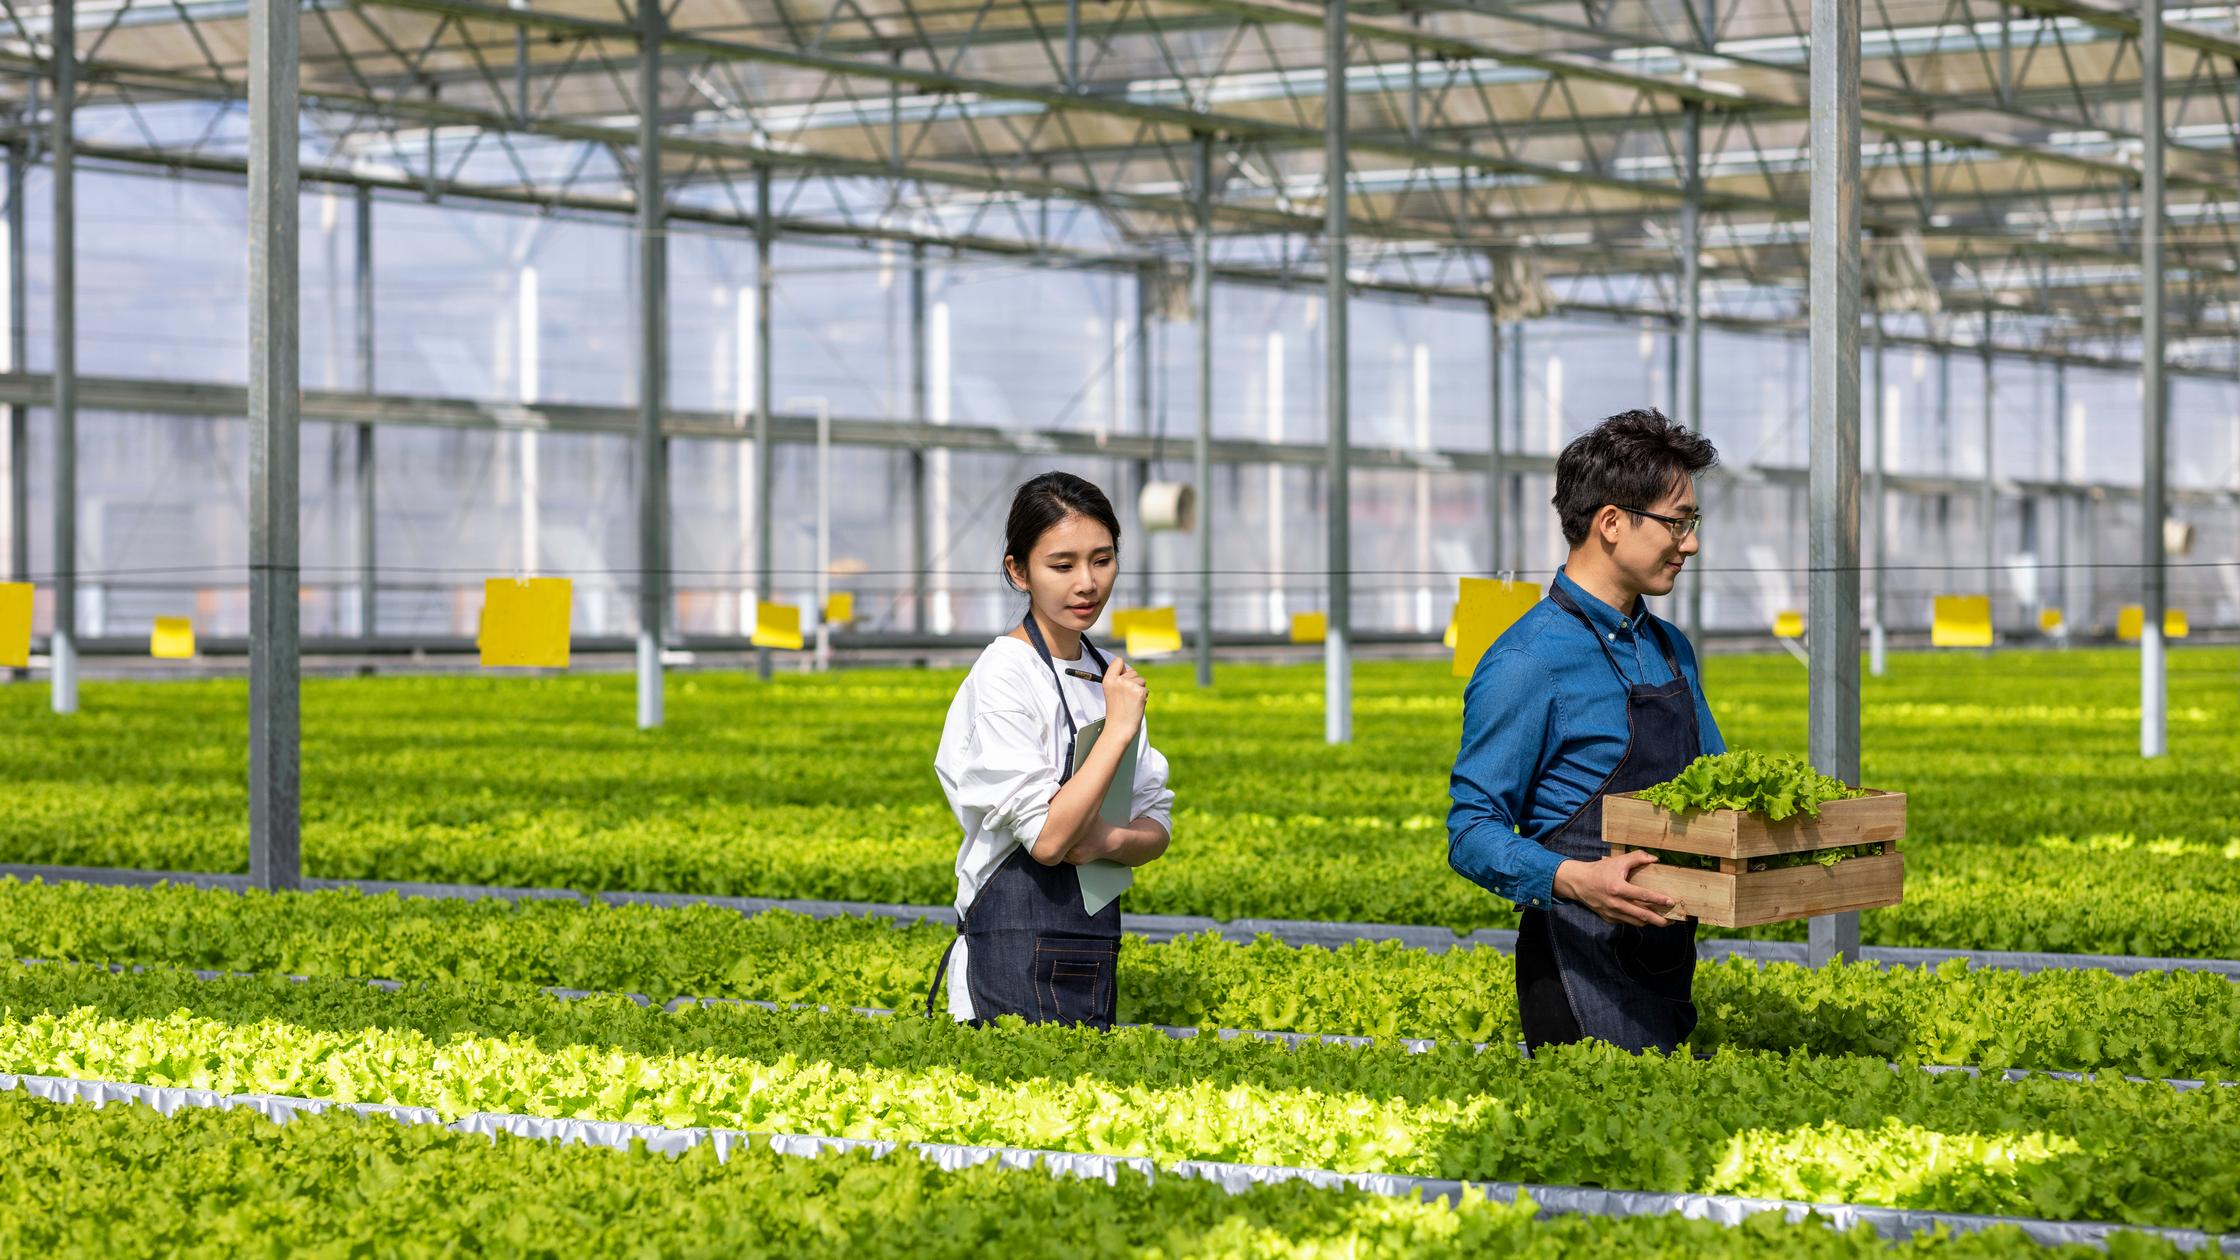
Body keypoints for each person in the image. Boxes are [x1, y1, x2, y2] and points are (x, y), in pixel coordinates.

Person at [1447, 408, 1725, 1054]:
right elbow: (1470, 830)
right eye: (1677, 522)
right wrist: (1574, 879)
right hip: (1574, 974)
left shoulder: (1671, 649)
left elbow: (1719, 786)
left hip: (1669, 963)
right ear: (1610, 523)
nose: (1690, 544)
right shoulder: (1528, 662)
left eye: (1693, 523)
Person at [925, 472, 1174, 1027]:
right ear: (1019, 571)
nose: (1086, 582)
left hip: (1092, 941)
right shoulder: (1005, 674)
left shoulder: (1108, 675)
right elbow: (1048, 839)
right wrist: (1117, 729)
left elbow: (1156, 823)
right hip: (1009, 943)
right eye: (1062, 566)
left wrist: (1106, 840)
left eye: (1102, 560)